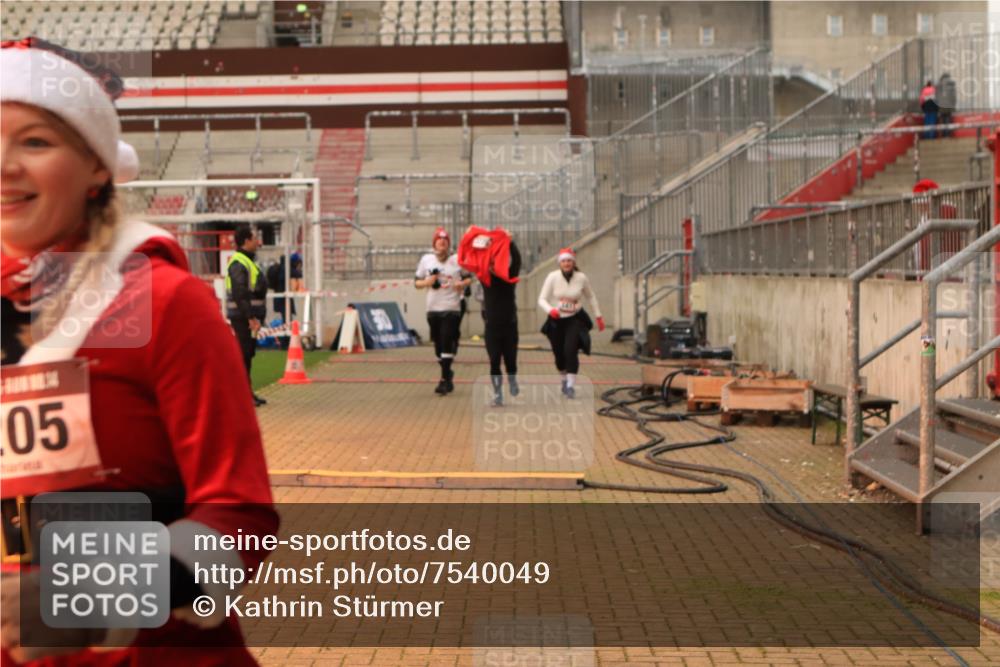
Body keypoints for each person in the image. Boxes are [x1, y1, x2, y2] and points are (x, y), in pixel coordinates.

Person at [0, 38, 277, 665]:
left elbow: (242, 515)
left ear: (97, 165)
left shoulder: (165, 304)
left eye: (35, 142)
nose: (5, 165)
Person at [461, 229, 521, 407]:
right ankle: (497, 395)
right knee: (494, 361)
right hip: (492, 328)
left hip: (510, 326)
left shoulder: (509, 277)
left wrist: (510, 243)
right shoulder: (484, 279)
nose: (494, 265)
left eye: (497, 261)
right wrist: (470, 238)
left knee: (511, 361)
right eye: (491, 262)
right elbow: (472, 261)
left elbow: (516, 261)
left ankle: (512, 379)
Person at [537, 248, 605, 399]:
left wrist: (598, 316)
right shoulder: (552, 277)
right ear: (559, 263)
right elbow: (541, 299)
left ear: (573, 262)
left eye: (569, 261)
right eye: (563, 261)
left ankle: (570, 385)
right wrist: (550, 310)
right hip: (556, 320)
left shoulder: (581, 277)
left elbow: (591, 296)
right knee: (559, 354)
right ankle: (563, 379)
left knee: (570, 350)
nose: (566, 263)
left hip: (574, 319)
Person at [415, 227, 471, 395]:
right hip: (433, 309)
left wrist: (462, 284)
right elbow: (416, 283)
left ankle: (444, 380)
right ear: (434, 244)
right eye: (439, 241)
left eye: (445, 241)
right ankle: (448, 373)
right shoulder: (426, 260)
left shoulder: (457, 259)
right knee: (438, 347)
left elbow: (469, 277)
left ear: (448, 245)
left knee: (447, 341)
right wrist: (427, 282)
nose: (442, 243)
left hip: (451, 308)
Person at [227, 226, 269, 407]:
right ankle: (242, 396)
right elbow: (240, 292)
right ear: (246, 241)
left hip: (247, 316)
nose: (258, 242)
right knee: (243, 355)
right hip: (243, 317)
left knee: (248, 355)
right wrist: (250, 317)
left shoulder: (247, 261)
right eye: (255, 239)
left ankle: (247, 393)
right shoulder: (239, 263)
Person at [267, 250, 303, 323]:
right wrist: (298, 269)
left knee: (286, 319)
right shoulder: (286, 268)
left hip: (281, 298)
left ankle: (286, 332)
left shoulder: (283, 267)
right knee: (287, 320)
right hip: (283, 299)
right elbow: (299, 274)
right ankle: (286, 333)